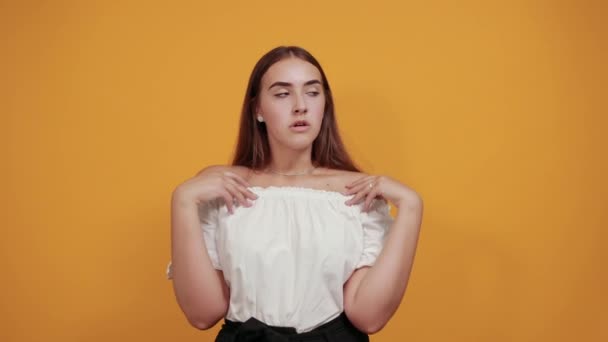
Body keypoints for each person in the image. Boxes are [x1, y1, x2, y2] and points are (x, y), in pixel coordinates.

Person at [166, 46, 423, 341]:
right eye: (282, 93)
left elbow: (369, 317)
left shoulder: (355, 192)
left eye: (312, 92)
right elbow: (202, 314)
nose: (300, 106)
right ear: (257, 110)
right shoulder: (222, 187)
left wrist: (412, 207)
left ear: (325, 104)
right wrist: (182, 201)